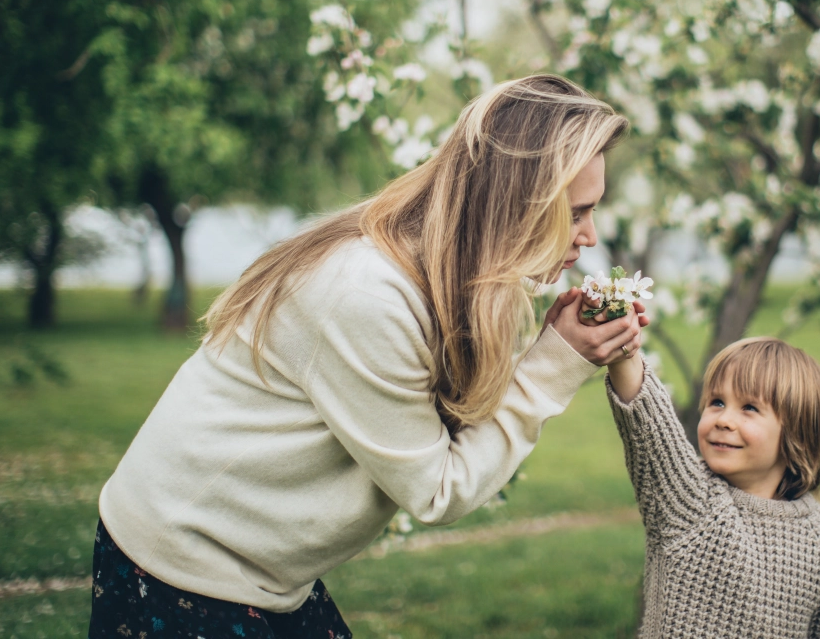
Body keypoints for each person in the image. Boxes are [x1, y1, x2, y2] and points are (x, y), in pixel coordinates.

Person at [88, 74, 649, 638]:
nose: (591, 237)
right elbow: (437, 490)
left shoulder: (447, 277)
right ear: (515, 205)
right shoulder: (366, 295)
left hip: (259, 574)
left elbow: (457, 423)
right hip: (184, 567)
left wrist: (546, 350)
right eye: (576, 213)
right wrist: (553, 367)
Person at [604, 336, 820, 638]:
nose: (724, 419)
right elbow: (647, 420)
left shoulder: (819, 532)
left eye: (749, 407)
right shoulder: (689, 499)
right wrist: (619, 338)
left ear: (797, 434)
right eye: (717, 402)